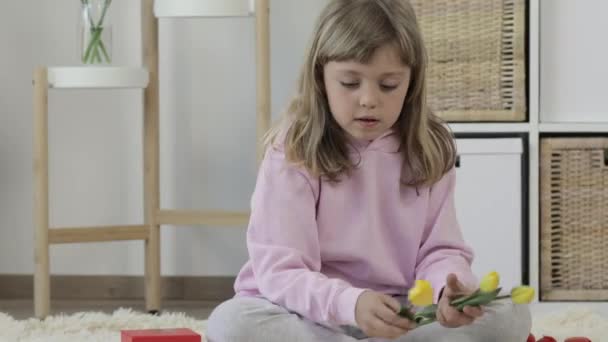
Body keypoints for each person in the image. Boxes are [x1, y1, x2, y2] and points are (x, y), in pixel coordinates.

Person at [206, 0, 531, 341]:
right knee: (231, 322)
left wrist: (448, 292)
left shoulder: (430, 148)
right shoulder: (293, 150)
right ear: (321, 78)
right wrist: (351, 303)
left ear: (411, 82)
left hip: (400, 315)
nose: (368, 99)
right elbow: (281, 272)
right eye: (349, 83)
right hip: (307, 314)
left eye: (388, 85)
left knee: (509, 313)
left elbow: (440, 251)